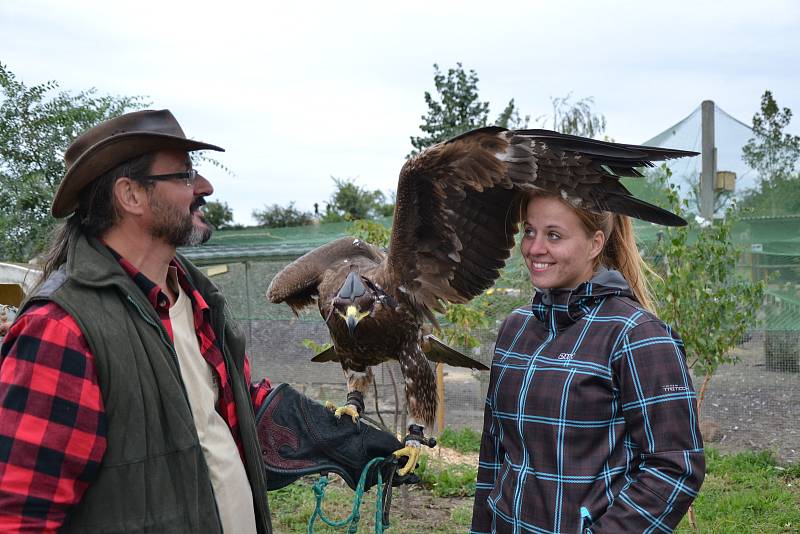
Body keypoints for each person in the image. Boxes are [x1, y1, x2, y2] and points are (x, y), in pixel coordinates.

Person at [0, 110, 410, 534]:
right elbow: (19, 516)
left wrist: (329, 434)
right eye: (185, 175)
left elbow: (213, 411)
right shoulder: (62, 329)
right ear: (131, 196)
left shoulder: (195, 300)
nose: (205, 187)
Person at [471, 192, 705, 533]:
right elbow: (494, 452)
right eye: (529, 231)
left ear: (595, 244)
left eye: (554, 235)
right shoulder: (515, 329)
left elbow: (675, 467)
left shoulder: (637, 335)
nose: (535, 248)